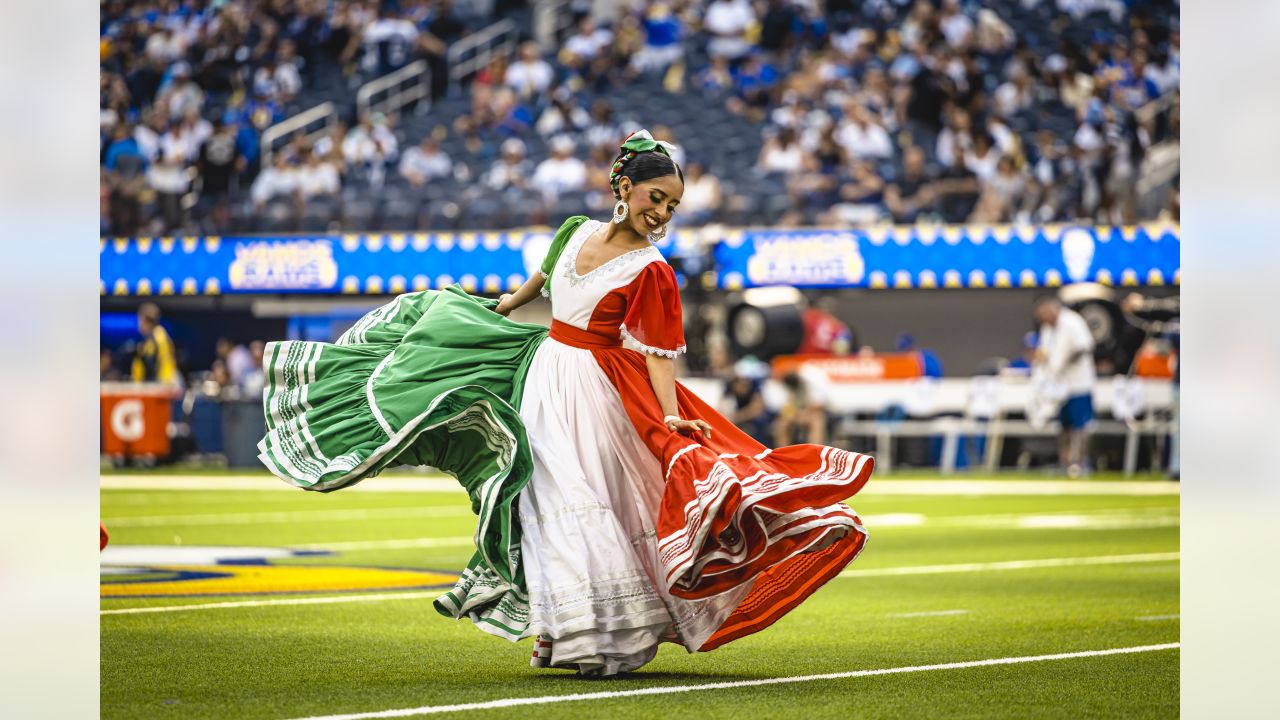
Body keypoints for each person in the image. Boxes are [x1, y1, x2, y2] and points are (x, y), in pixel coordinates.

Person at [258, 130, 873, 677]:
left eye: (672, 205)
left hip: (600, 391)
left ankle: (610, 640)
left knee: (586, 499)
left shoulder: (654, 270)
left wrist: (667, 415)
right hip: (542, 370)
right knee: (540, 496)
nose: (661, 213)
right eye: (654, 197)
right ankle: (560, 631)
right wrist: (482, 314)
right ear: (623, 186)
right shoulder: (572, 232)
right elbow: (531, 292)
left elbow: (659, 352)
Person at [1033, 297, 1096, 477]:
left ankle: (1081, 462)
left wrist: (1065, 361)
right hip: (1058, 385)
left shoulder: (1072, 322)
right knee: (1063, 426)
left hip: (1078, 383)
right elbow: (1045, 351)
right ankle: (1065, 461)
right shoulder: (1047, 329)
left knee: (1080, 425)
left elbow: (1084, 347)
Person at [131, 302, 178, 385]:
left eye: (139, 320)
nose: (138, 324)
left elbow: (150, 368)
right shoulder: (160, 334)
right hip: (163, 384)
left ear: (145, 320)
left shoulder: (155, 338)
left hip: (159, 386)